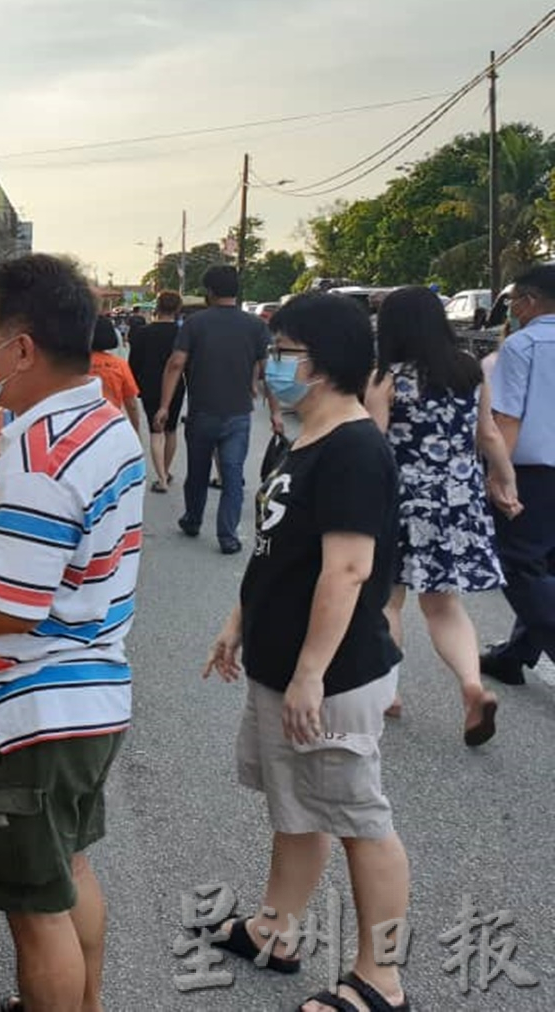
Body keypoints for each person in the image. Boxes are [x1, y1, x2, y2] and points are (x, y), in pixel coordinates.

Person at [0, 254, 144, 1012]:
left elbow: (12, 609)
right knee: (70, 871)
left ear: (22, 348)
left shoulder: (38, 457)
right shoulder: (102, 422)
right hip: (90, 698)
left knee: (34, 910)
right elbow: (50, 564)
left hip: (26, 719)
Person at [204, 292, 410, 1012]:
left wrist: (310, 676)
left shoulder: (354, 448)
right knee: (296, 809)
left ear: (322, 364)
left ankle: (380, 978)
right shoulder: (297, 438)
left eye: (283, 350)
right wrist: (237, 622)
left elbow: (348, 571)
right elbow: (275, 552)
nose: (272, 364)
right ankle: (275, 930)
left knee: (360, 821)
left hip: (329, 674)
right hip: (281, 663)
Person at [365, 286, 519, 744]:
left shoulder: (385, 378)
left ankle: (386, 693)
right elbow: (489, 434)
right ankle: (472, 686)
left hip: (401, 497)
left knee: (387, 599)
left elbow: (375, 443)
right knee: (443, 603)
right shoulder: (469, 371)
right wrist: (504, 481)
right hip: (456, 498)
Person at [157, 265, 282, 554]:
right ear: (236, 291)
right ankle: (228, 536)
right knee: (232, 474)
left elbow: (176, 364)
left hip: (202, 413)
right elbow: (269, 374)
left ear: (209, 292)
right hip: (238, 414)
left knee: (198, 472)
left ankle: (193, 519)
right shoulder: (255, 326)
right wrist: (275, 412)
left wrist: (164, 406)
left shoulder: (195, 323)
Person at [481, 265, 555, 686]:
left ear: (528, 301)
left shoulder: (523, 345)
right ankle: (515, 654)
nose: (511, 311)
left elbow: (506, 418)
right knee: (548, 565)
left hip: (534, 474)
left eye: (512, 302)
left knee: (518, 564)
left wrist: (498, 475)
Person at [130, 291, 186, 493]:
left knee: (156, 431)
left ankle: (161, 478)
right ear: (178, 309)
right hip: (176, 385)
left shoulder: (143, 333)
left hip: (149, 385)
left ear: (157, 307)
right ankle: (166, 471)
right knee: (171, 429)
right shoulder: (182, 334)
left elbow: (133, 363)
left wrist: (135, 386)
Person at [89, 316, 146, 441]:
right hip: (111, 424)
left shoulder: (74, 365)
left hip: (82, 426)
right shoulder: (119, 365)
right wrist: (135, 430)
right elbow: (131, 404)